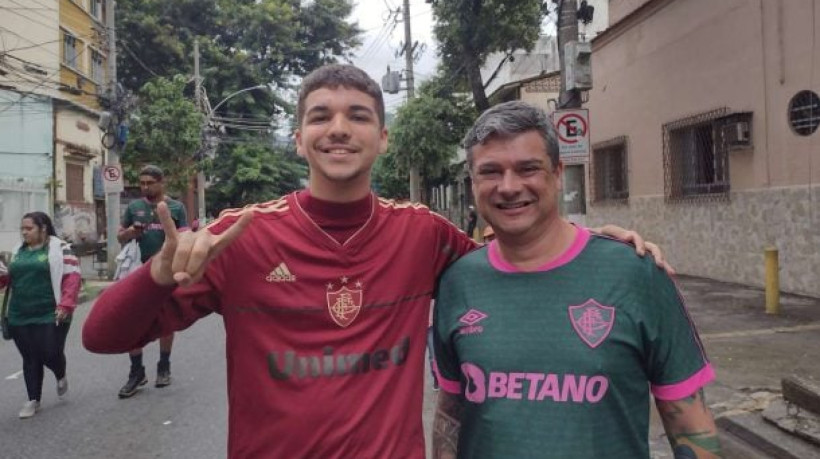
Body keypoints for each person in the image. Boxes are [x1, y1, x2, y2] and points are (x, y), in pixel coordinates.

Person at [83, 64, 668, 458]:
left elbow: (516, 265)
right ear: (298, 138)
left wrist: (589, 245)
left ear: (383, 137)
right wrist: (158, 274)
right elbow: (101, 337)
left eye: (358, 115)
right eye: (321, 116)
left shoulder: (423, 235)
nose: (339, 129)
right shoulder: (243, 236)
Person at [431, 101, 720, 459]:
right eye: (490, 171)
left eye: (528, 168)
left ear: (557, 173)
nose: (508, 187)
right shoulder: (458, 281)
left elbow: (689, 424)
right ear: (473, 183)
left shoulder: (636, 273)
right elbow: (450, 411)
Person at [115, 165, 188, 398]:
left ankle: (163, 366)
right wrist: (130, 233)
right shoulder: (134, 208)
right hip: (138, 272)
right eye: (142, 183)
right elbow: (119, 236)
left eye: (149, 183)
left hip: (166, 272)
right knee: (131, 321)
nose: (145, 187)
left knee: (166, 320)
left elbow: (185, 235)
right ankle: (136, 371)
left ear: (161, 182)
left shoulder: (176, 207)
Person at [0, 212, 81, 419]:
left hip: (50, 311)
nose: (24, 232)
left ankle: (60, 373)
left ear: (43, 228)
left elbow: (72, 277)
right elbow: (10, 279)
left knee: (49, 352)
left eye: (29, 228)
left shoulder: (60, 248)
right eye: (22, 229)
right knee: (30, 357)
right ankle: (33, 399)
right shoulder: (19, 251)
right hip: (20, 313)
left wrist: (66, 304)